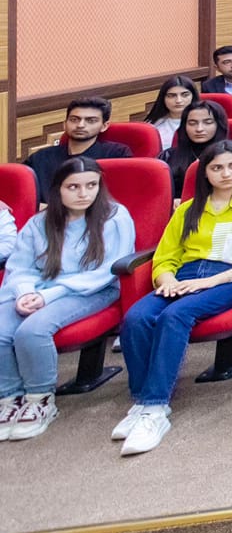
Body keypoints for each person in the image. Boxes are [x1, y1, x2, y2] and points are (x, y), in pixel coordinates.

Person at [113, 140, 232, 455]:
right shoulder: (189, 209)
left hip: (231, 278)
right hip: (185, 275)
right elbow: (165, 255)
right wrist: (169, 280)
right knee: (136, 317)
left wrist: (210, 282)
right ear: (205, 172)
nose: (225, 173)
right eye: (216, 168)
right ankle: (141, 400)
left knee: (175, 316)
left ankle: (156, 407)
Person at [0, 159, 135, 441]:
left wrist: (46, 296)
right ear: (57, 190)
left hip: (90, 290)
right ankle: (9, 397)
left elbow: (105, 271)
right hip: (38, 289)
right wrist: (25, 291)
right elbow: (20, 266)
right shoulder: (40, 222)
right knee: (1, 330)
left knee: (32, 330)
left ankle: (39, 399)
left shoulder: (115, 217)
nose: (83, 193)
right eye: (73, 187)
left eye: (91, 186)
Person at [26, 97, 133, 204]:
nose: (80, 125)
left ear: (104, 126)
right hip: (44, 219)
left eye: (91, 121)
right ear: (64, 124)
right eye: (74, 119)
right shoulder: (41, 157)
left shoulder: (117, 154)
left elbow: (121, 197)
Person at [163, 102, 230, 191]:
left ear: (219, 125)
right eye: (192, 123)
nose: (199, 129)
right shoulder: (168, 156)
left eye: (208, 123)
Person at [144, 76, 199, 153]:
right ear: (163, 98)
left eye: (185, 95)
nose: (178, 100)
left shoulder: (203, 123)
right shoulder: (152, 126)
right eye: (172, 96)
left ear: (193, 96)